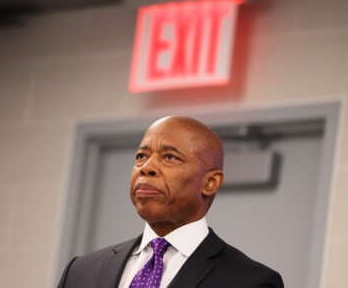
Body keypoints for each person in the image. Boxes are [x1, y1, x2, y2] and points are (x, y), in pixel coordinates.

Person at [57, 116, 284, 288]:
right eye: (141, 156)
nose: (146, 168)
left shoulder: (251, 282)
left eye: (170, 157)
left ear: (210, 183)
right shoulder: (80, 272)